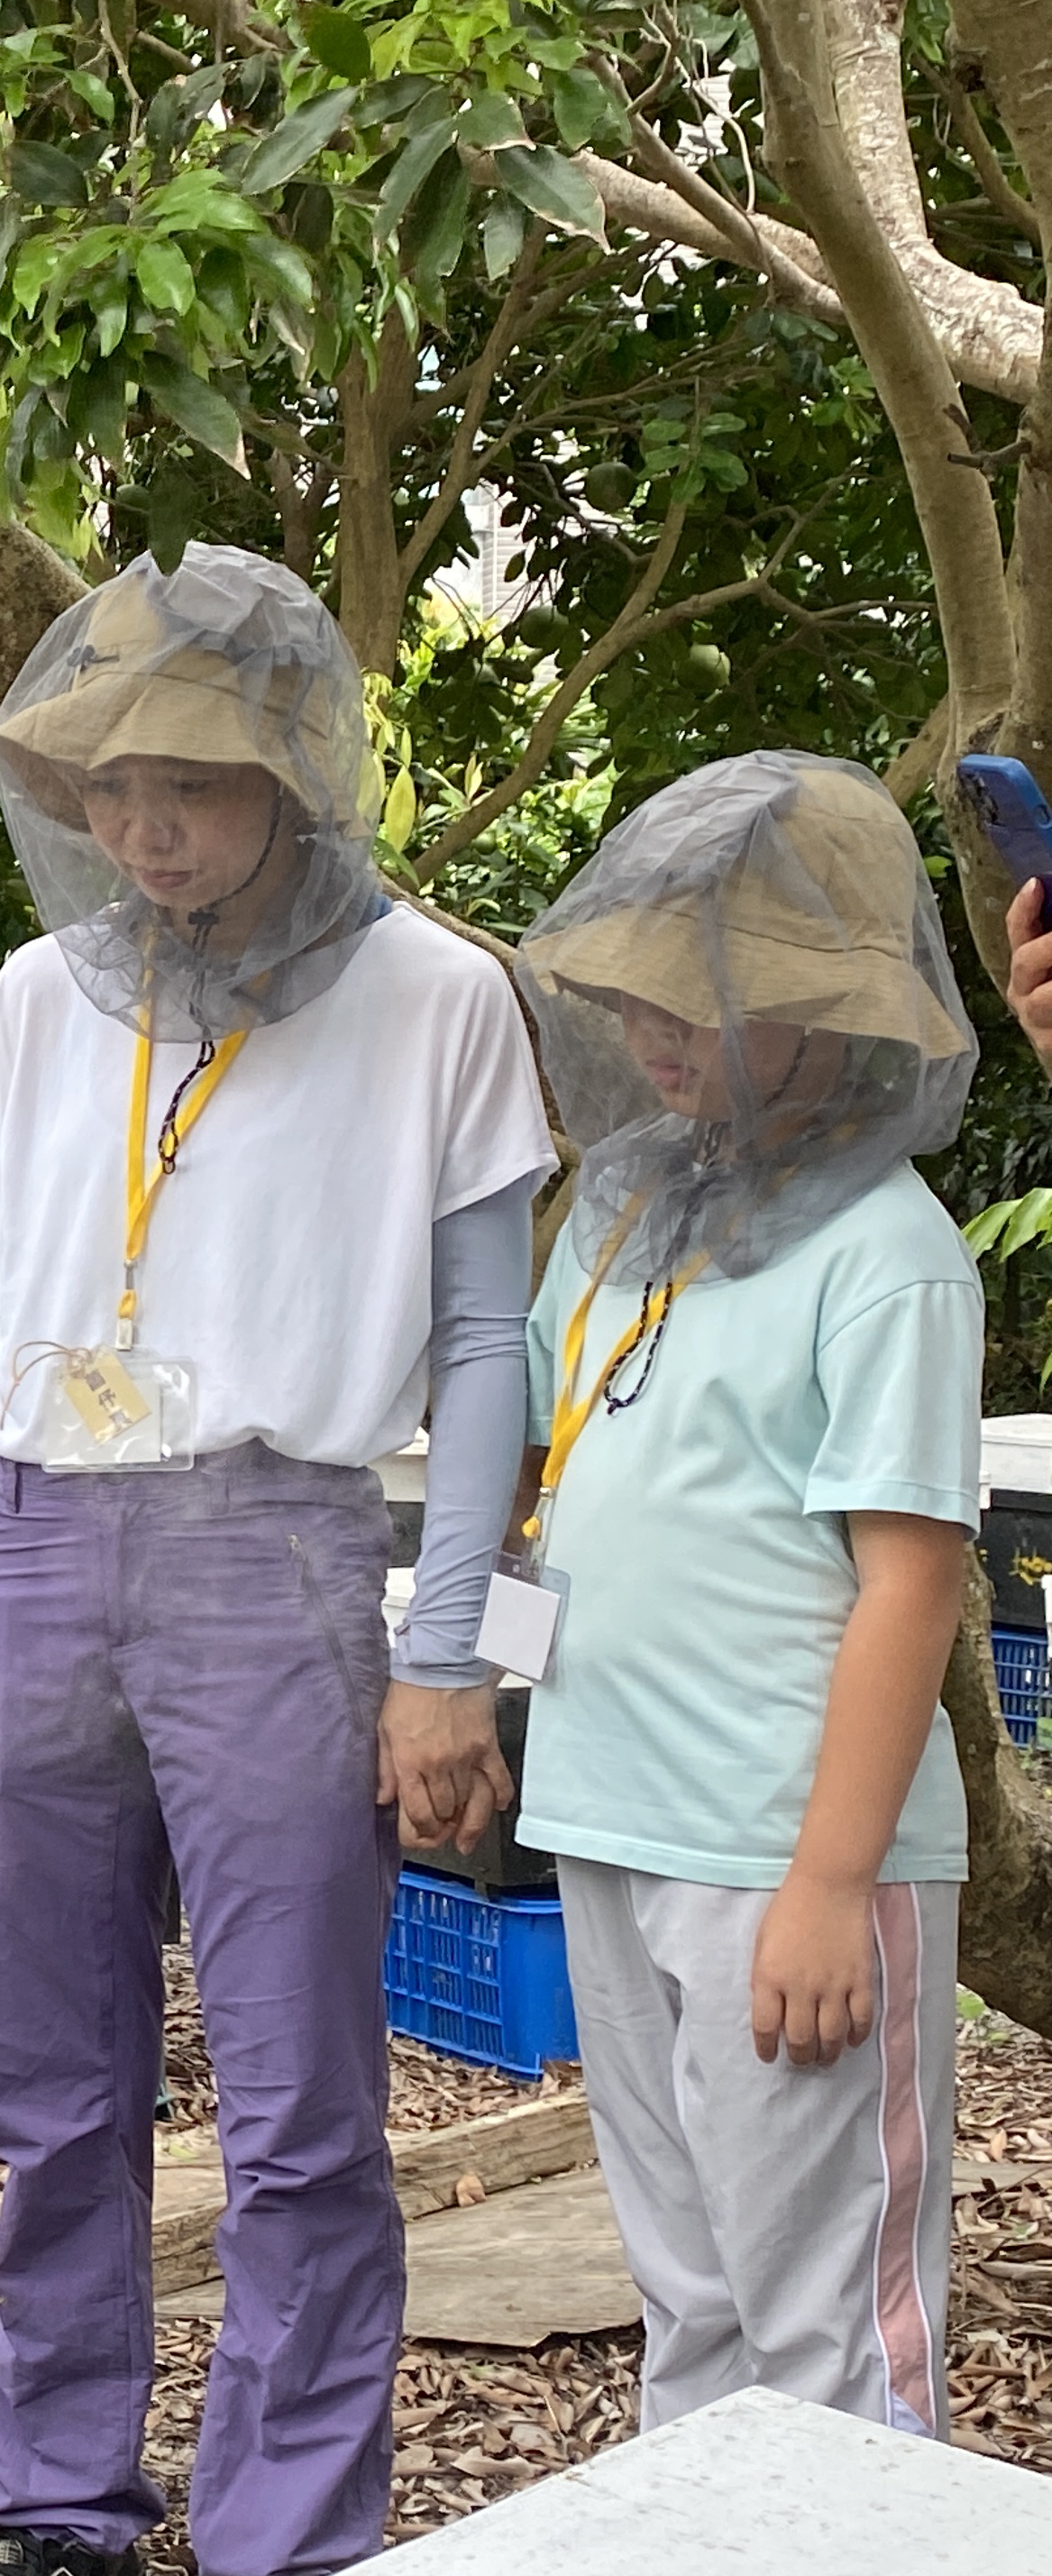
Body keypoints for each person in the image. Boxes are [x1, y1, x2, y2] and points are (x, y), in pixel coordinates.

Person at [0, 545, 555, 2576]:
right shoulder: (39, 990)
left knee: (301, 2091)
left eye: (191, 784)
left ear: (295, 780)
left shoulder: (436, 996)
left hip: (281, 1552)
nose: (143, 827)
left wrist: (449, 1644)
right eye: (109, 783)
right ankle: (62, 2510)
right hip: (42, 1544)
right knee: (56, 2091)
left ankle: (294, 2537)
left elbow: (484, 1346)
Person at [509, 751, 979, 2437]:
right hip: (616, 1822)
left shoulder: (891, 1254)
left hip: (786, 1857)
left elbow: (914, 1587)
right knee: (691, 2290)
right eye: (647, 990)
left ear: (835, 1013)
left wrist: (826, 1886)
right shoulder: (632, 1211)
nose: (661, 1030)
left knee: (833, 2321)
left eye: (714, 996)